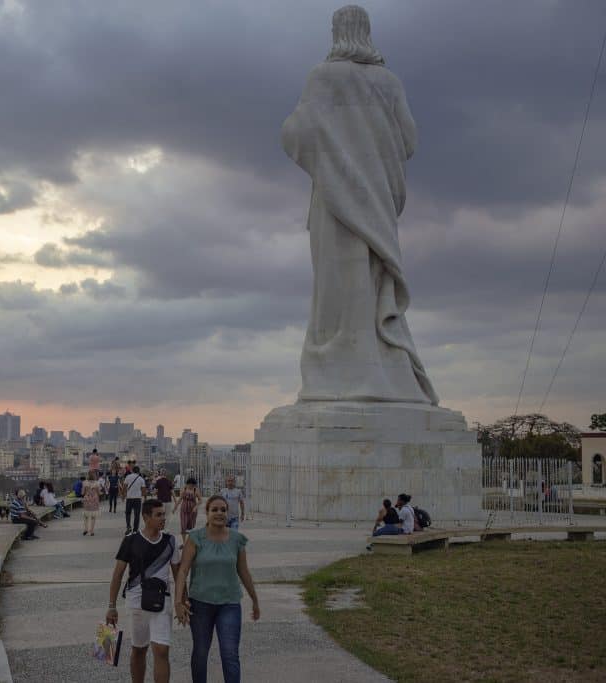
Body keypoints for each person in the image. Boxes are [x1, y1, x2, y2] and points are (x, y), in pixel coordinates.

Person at [281, 5, 439, 406]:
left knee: (336, 292)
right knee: (369, 285)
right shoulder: (389, 82)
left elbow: (297, 134)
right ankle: (379, 371)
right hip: (378, 203)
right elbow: (409, 141)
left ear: (337, 32)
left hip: (336, 202)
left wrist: (336, 149)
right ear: (366, 33)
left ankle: (338, 375)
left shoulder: (323, 77)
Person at [175, 495, 260, 683]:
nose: (219, 513)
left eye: (223, 509)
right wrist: (178, 601)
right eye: (215, 510)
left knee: (230, 654)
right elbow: (182, 571)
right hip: (200, 604)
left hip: (229, 604)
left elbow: (243, 571)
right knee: (200, 652)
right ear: (207, 513)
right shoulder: (195, 538)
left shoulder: (237, 539)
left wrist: (254, 600)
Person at [107, 499, 182, 683]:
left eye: (163, 514)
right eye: (158, 515)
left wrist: (182, 600)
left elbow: (178, 574)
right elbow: (117, 575)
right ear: (146, 517)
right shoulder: (131, 540)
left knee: (162, 650)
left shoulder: (170, 541)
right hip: (136, 603)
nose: (163, 518)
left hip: (161, 602)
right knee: (139, 649)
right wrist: (111, 606)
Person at [173, 477, 201, 542]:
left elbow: (200, 500)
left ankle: (190, 542)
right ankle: (184, 542)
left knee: (191, 527)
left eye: (193, 485)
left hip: (192, 511)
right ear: (187, 484)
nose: (191, 486)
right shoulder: (184, 489)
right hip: (184, 510)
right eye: (190, 484)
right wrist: (175, 508)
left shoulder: (196, 490)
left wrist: (195, 507)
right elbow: (180, 499)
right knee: (183, 526)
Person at [123, 466, 148, 534]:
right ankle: (135, 529)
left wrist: (123, 496)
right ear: (138, 471)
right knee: (137, 515)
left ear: (132, 471)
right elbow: (143, 491)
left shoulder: (128, 477)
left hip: (129, 498)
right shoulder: (141, 479)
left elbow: (124, 487)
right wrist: (145, 498)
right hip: (137, 499)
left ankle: (128, 527)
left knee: (128, 513)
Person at [82, 471, 101, 536]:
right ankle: (92, 531)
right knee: (93, 516)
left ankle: (86, 529)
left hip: (87, 500)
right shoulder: (97, 483)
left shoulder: (84, 483)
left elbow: (82, 492)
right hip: (94, 500)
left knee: (86, 516)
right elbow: (99, 492)